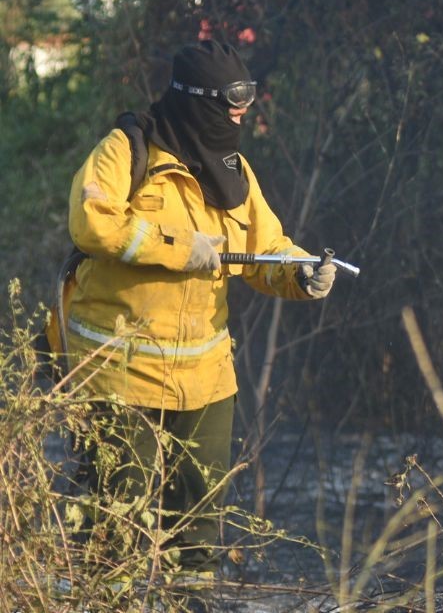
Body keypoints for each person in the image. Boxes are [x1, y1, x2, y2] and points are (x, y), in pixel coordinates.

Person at [57, 40, 335, 574]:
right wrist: (179, 247)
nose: (238, 118)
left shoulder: (233, 170)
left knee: (198, 540)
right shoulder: (126, 150)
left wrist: (302, 273)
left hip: (205, 383)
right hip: (119, 375)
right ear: (197, 102)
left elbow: (266, 248)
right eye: (230, 107)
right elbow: (91, 222)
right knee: (116, 535)